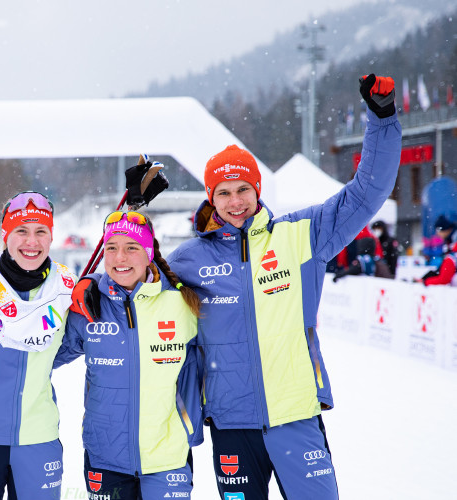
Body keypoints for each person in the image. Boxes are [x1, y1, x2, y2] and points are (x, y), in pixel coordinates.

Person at [167, 74, 401, 499]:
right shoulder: (188, 260)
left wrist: (381, 119)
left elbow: (367, 193)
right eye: (224, 193)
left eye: (243, 190)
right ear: (210, 197)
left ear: (257, 190)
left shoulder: (301, 236)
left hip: (296, 417)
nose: (235, 202)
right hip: (232, 426)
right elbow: (129, 275)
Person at [57, 210, 204, 500]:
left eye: (131, 248)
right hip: (105, 457)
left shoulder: (182, 303)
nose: (119, 258)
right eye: (111, 248)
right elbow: (43, 355)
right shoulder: (89, 306)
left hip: (168, 457)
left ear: (148, 253)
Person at [0, 191, 77, 500]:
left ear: (51, 237)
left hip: (39, 437)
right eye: (21, 230)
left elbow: (71, 345)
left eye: (40, 231)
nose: (31, 242)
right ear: (5, 235)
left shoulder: (67, 290)